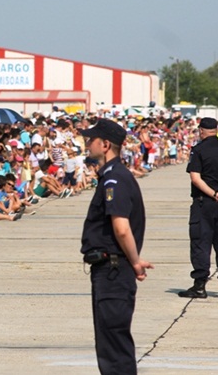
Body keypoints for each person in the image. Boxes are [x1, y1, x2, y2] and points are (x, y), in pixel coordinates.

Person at [79, 118, 151, 375]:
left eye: (91, 140)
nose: (88, 144)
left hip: (113, 270)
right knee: (110, 342)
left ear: (106, 144)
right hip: (111, 269)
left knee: (113, 346)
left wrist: (135, 262)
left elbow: (121, 227)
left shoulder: (115, 179)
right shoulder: (112, 176)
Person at [179, 117, 218, 300]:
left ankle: (200, 285)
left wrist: (214, 194)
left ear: (201, 131)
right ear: (216, 130)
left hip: (204, 203)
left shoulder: (198, 150)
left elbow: (195, 178)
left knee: (201, 242)